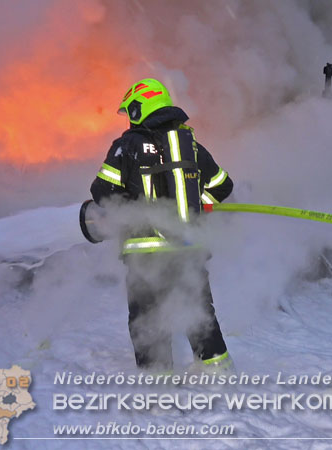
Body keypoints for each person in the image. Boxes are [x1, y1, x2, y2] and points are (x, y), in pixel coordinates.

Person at [90, 78, 234, 371]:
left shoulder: (126, 146)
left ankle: (158, 384)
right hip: (188, 248)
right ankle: (218, 372)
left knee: (147, 317)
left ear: (137, 109)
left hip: (146, 254)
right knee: (199, 312)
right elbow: (223, 185)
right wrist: (198, 204)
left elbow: (102, 191)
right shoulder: (190, 144)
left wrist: (130, 205)